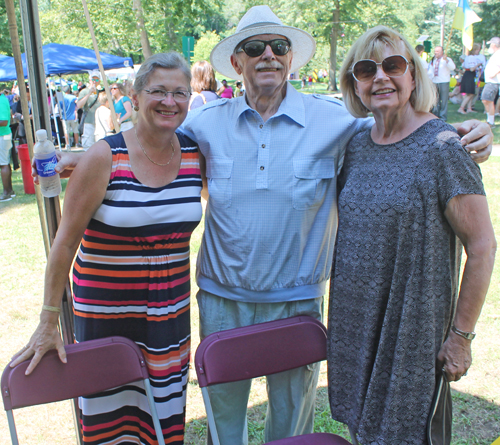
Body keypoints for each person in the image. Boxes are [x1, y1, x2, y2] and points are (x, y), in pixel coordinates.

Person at [34, 6, 494, 445]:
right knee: (224, 424)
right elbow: (153, 136)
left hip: (297, 304)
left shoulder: (338, 123)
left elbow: (399, 133)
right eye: (255, 49)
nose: (268, 55)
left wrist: (471, 130)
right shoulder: (204, 123)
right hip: (222, 301)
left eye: (278, 45)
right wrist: (82, 157)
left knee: (292, 429)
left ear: (291, 57)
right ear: (237, 62)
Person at [11, 52, 204, 444]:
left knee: (162, 421)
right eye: (159, 91)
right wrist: (49, 319)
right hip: (106, 317)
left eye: (180, 93)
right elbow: (64, 243)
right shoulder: (105, 157)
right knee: (108, 421)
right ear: (135, 96)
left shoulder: (194, 155)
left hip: (169, 317)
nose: (170, 101)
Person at [329, 26, 496, 445]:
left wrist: (461, 337)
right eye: (366, 69)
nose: (381, 77)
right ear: (354, 83)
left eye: (394, 65)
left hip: (410, 329)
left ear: (414, 76)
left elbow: (482, 246)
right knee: (360, 430)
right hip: (354, 322)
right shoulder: (356, 145)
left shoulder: (443, 147)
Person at [428, 45, 456, 121]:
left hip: (443, 81)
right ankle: (435, 115)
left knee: (444, 100)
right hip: (435, 81)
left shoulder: (446, 59)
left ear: (441, 52)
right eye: (435, 51)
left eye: (437, 51)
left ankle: (443, 116)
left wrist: (447, 60)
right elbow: (430, 71)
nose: (435, 53)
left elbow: (452, 67)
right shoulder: (433, 60)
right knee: (435, 100)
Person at [458, 43, 486, 114]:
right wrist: (478, 64)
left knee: (471, 92)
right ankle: (461, 108)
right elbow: (471, 69)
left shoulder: (467, 57)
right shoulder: (472, 58)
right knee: (470, 93)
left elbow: (463, 66)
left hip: (467, 75)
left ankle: (469, 108)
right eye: (477, 50)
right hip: (470, 75)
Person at [77, 71, 102, 150]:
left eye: (96, 79)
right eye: (93, 79)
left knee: (99, 145)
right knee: (88, 145)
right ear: (90, 80)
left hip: (99, 122)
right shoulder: (84, 91)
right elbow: (79, 105)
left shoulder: (101, 92)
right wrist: (89, 93)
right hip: (88, 122)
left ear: (99, 81)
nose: (94, 81)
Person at [481, 37, 500, 127]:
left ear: (494, 45)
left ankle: (491, 121)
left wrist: (494, 74)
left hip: (493, 81)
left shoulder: (498, 54)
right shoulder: (495, 54)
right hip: (490, 81)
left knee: (488, 100)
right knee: (486, 100)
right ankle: (489, 119)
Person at [0, 88, 14, 201]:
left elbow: (3, 121)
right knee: (5, 163)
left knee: (3, 164)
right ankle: (9, 190)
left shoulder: (1, 100)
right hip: (4, 135)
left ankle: (6, 193)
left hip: (2, 136)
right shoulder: (3, 99)